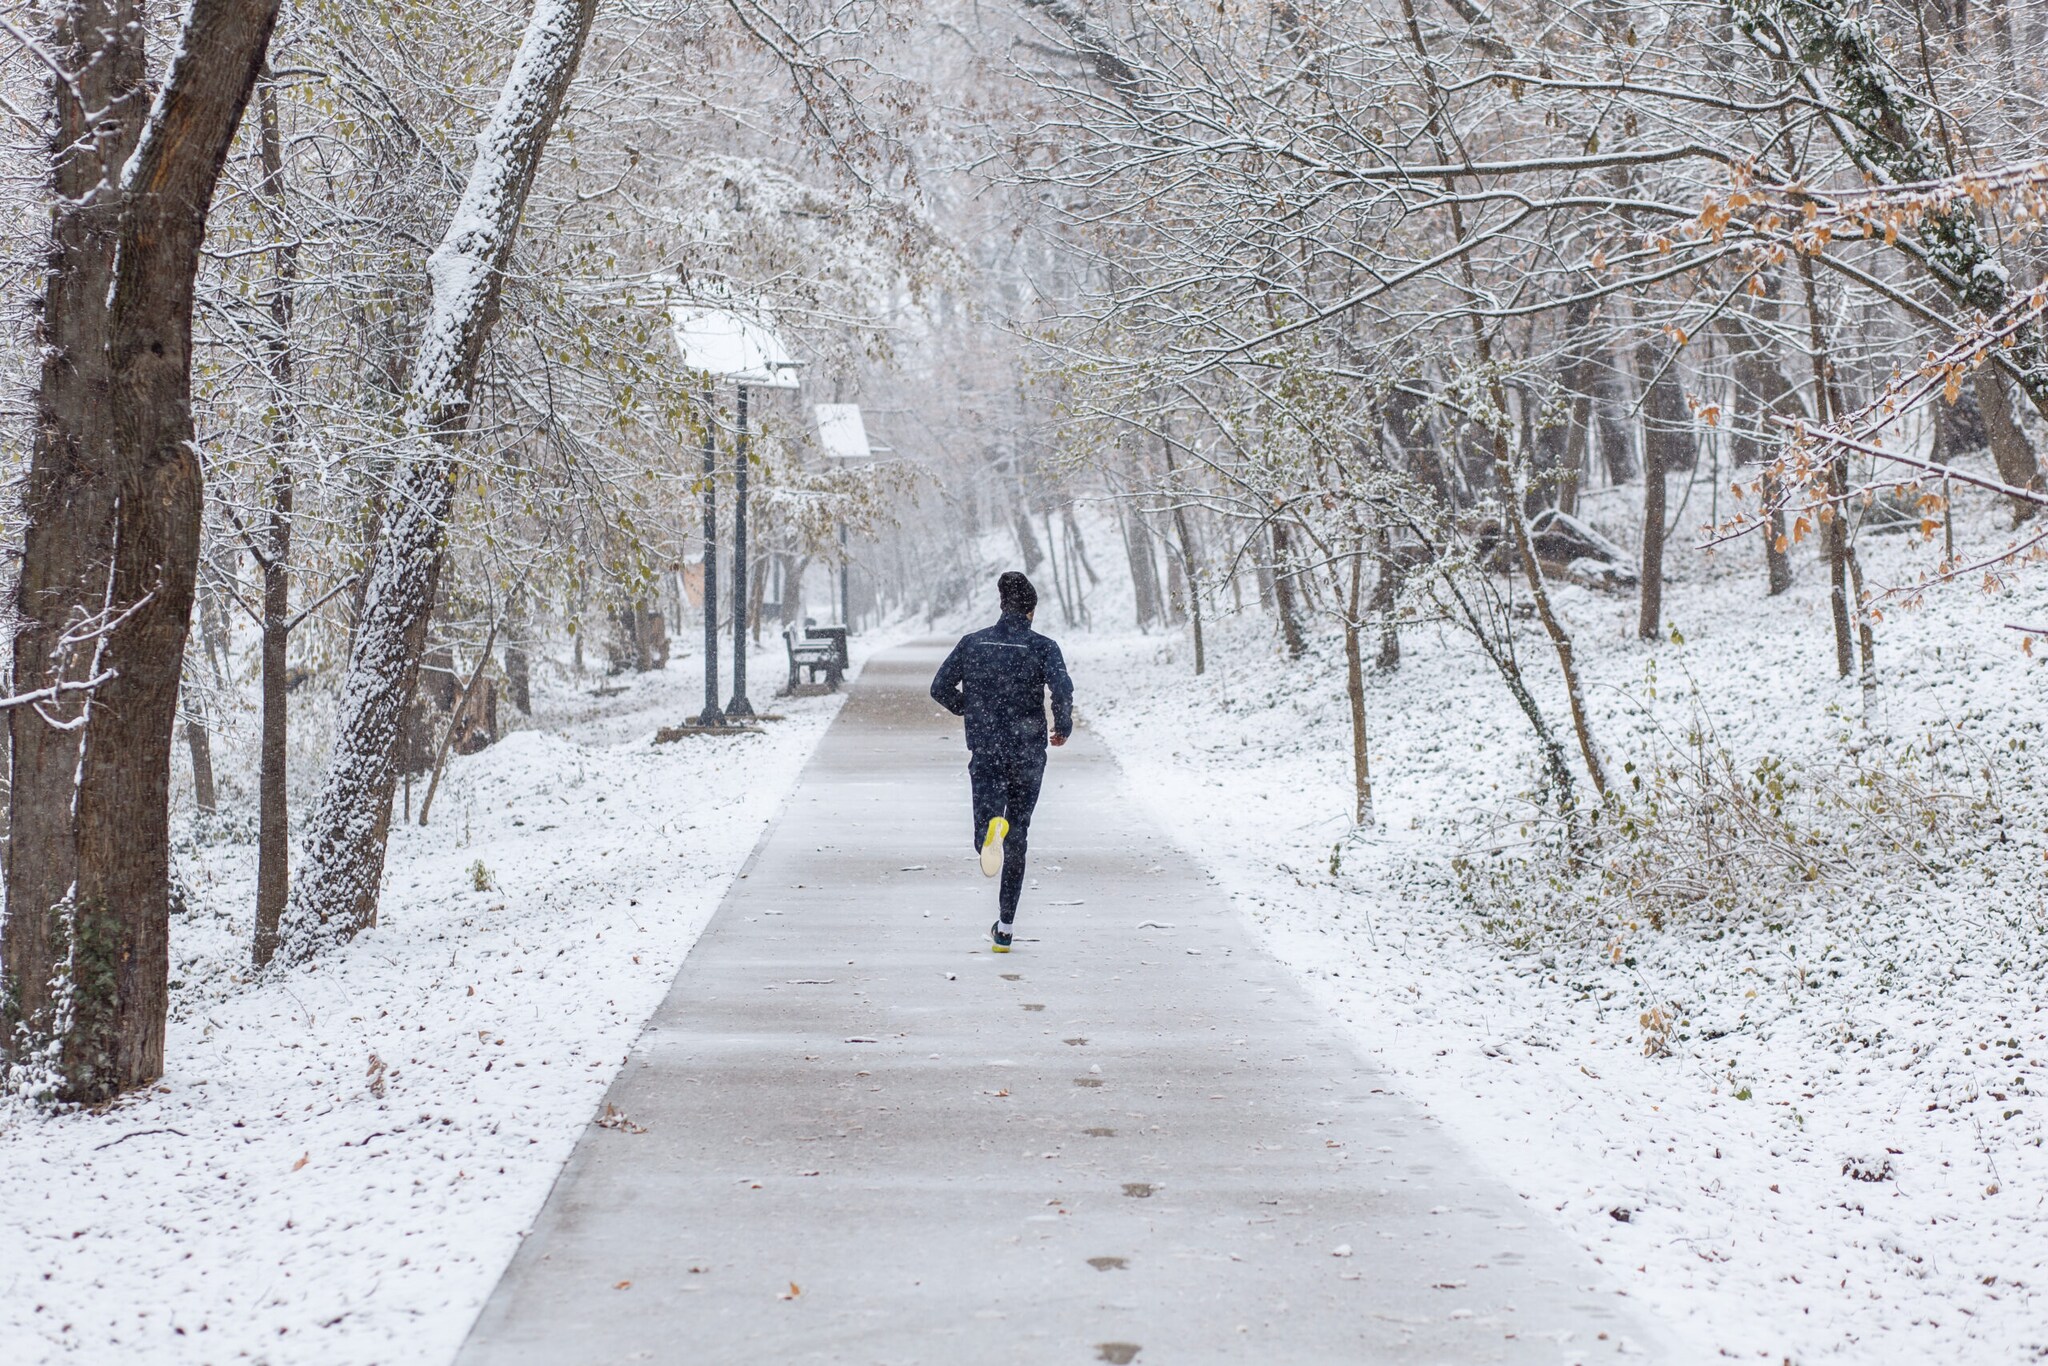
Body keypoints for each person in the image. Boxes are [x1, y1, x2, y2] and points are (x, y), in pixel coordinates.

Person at [929, 571, 1074, 952]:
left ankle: (988, 834)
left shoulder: (973, 643)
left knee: (989, 828)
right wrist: (1062, 725)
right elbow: (1061, 687)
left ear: (1001, 605)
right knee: (1020, 835)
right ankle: (1006, 928)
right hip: (1027, 750)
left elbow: (939, 687)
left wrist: (971, 709)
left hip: (987, 748)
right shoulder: (1043, 647)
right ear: (1031, 611)